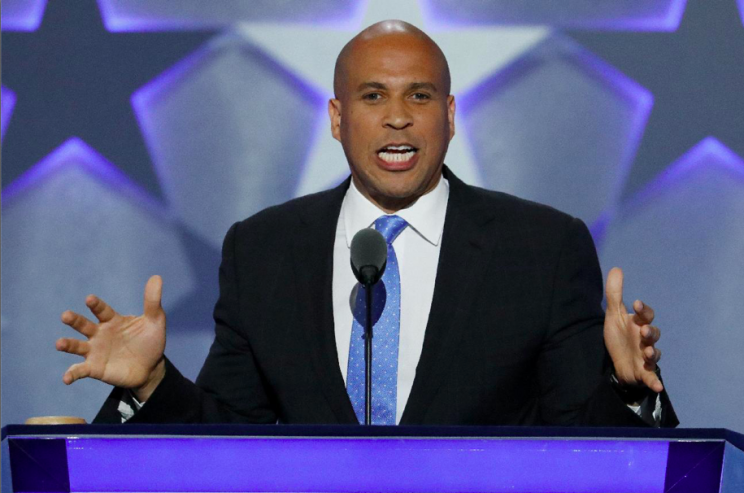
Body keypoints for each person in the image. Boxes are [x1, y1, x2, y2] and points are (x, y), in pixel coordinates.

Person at [58, 20, 677, 426]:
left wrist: (627, 389)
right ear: (336, 116)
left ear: (451, 115)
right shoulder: (263, 249)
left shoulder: (542, 248)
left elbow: (580, 445)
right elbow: (230, 436)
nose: (398, 118)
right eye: (373, 96)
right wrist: (153, 383)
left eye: (421, 95)